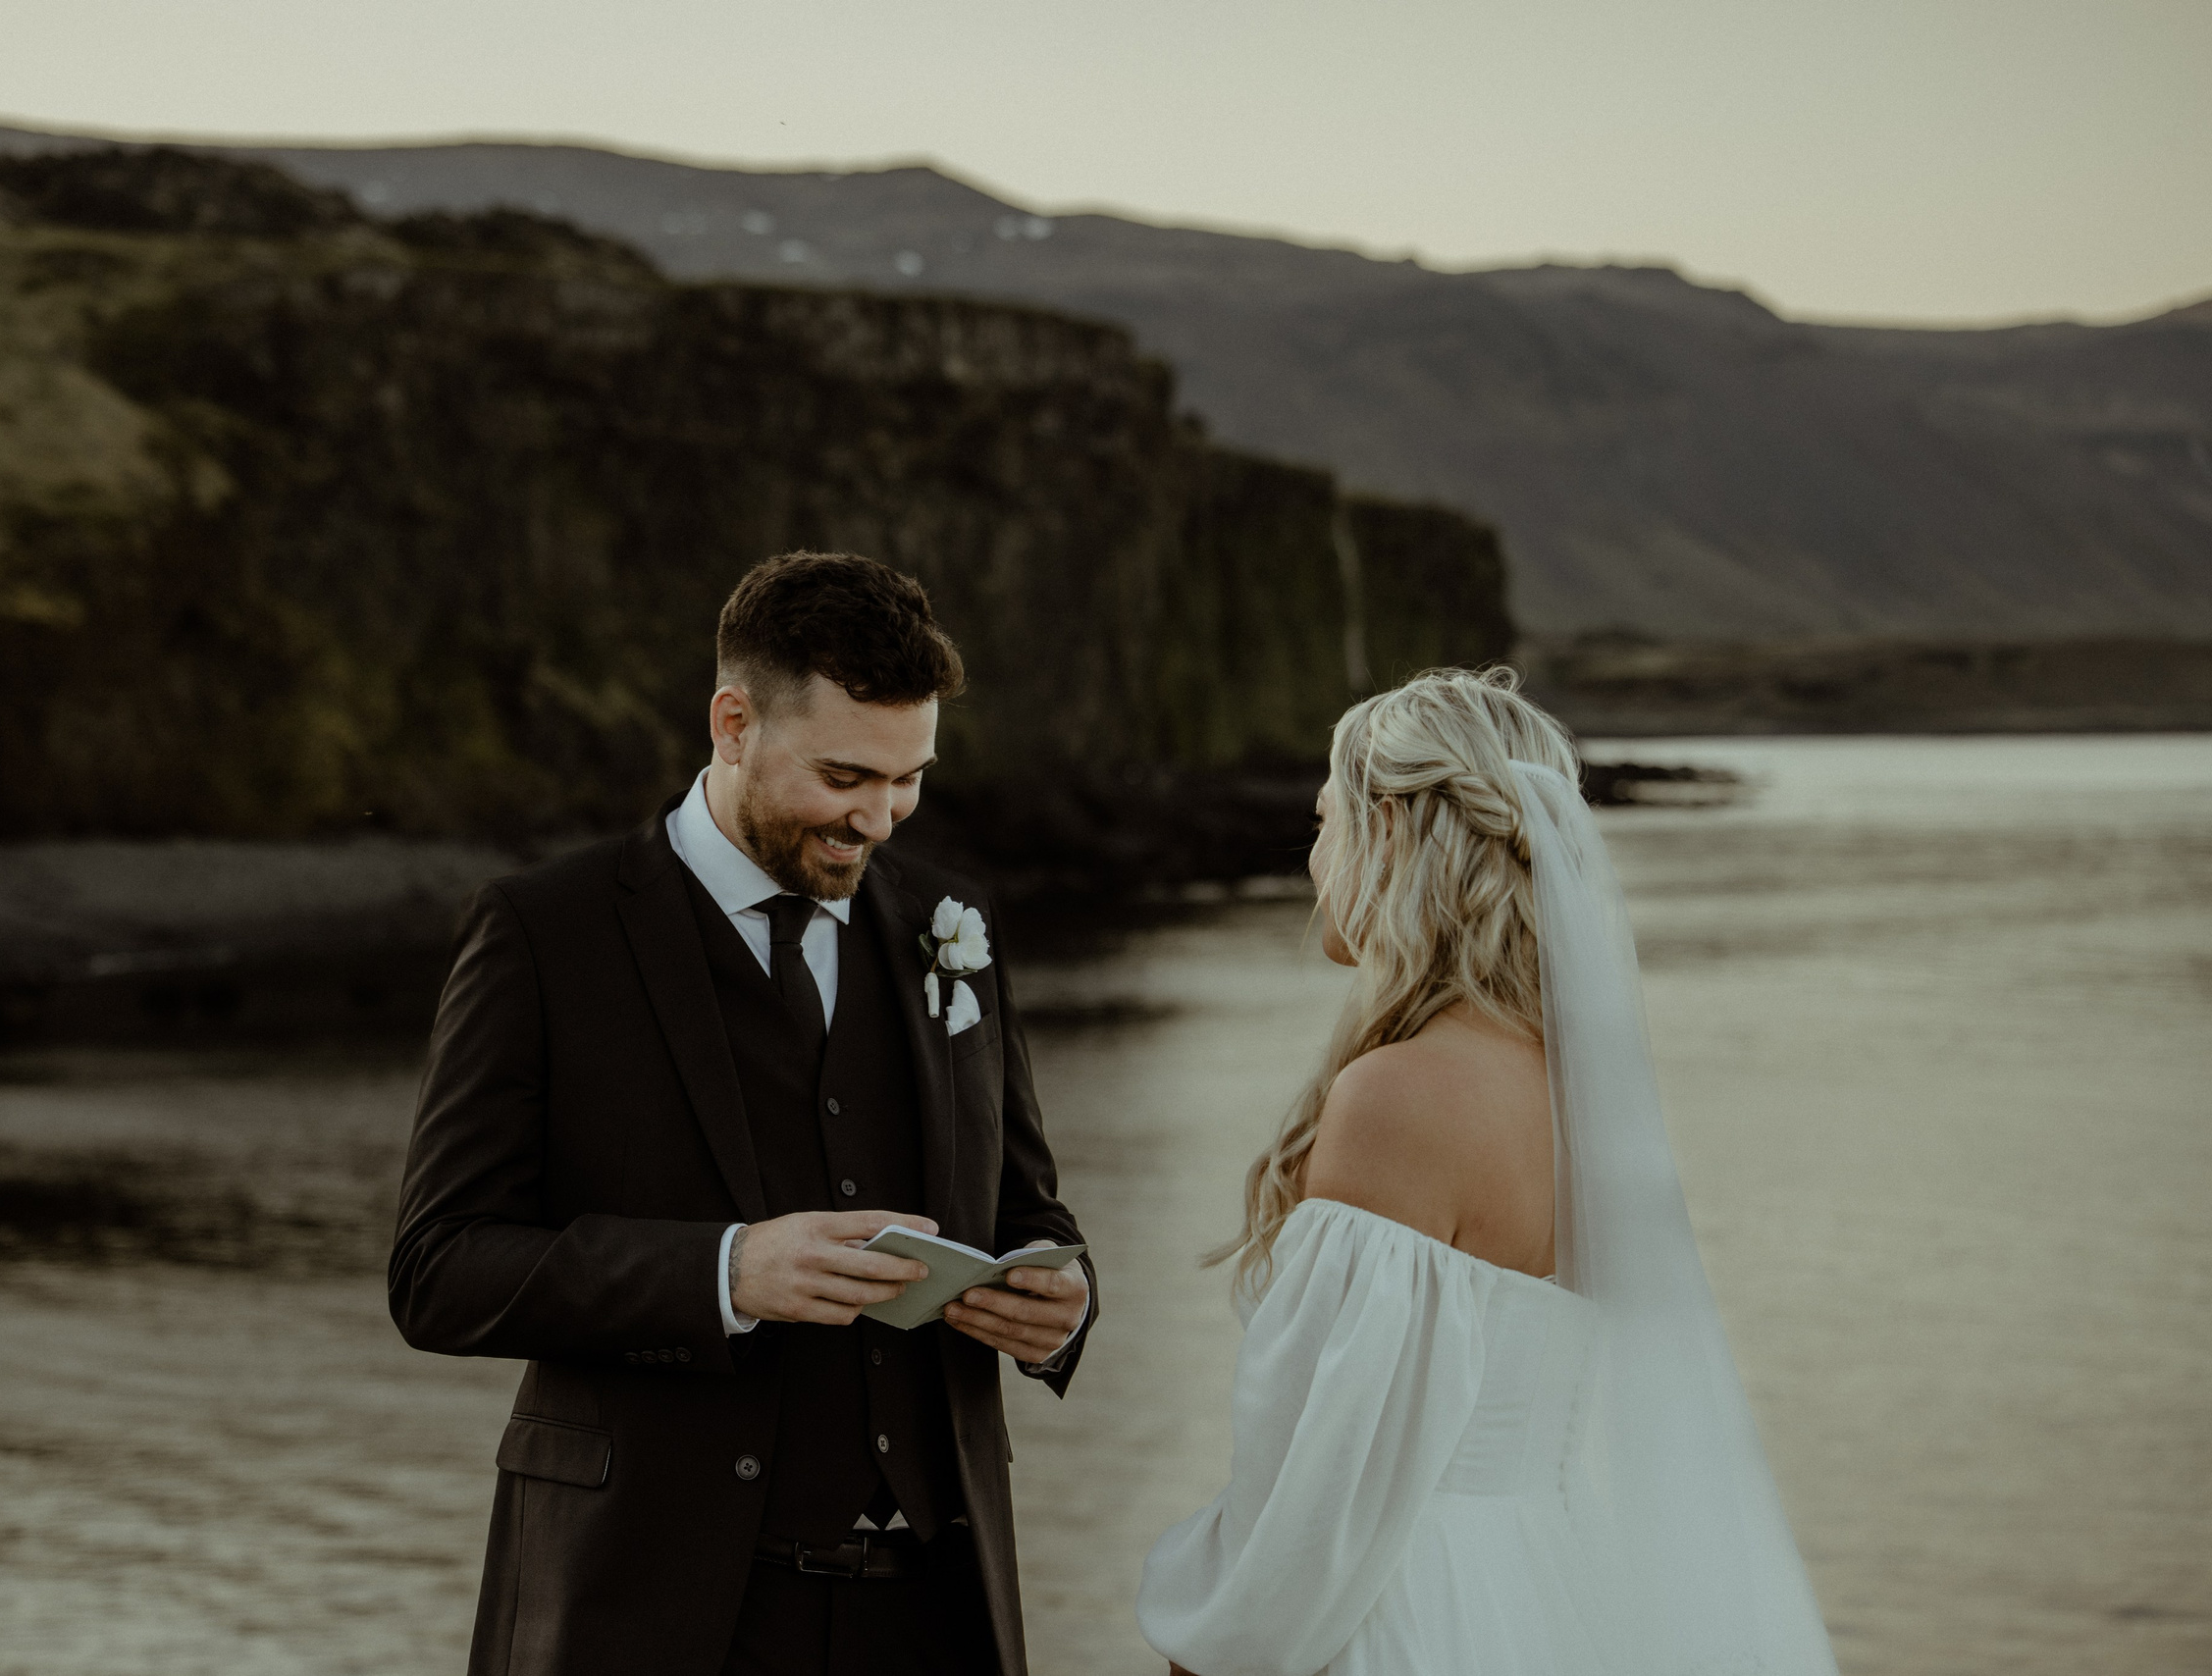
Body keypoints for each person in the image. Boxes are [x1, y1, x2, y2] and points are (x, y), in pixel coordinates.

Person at [391, 551, 1096, 1676]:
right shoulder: (545, 932)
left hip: (930, 1611)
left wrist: (1060, 1303)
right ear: (731, 722)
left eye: (909, 779)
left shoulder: (949, 921)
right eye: (843, 775)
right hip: (649, 1609)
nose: (878, 817)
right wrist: (723, 1273)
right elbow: (439, 1268)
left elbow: (1024, 1204)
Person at [1138, 667, 1838, 1676]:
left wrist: (1213, 1651)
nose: (1311, 858)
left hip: (1398, 1610)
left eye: (1324, 821)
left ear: (1388, 832)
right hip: (1545, 1586)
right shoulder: (1574, 1094)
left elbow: (1328, 1477)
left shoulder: (1399, 1095)